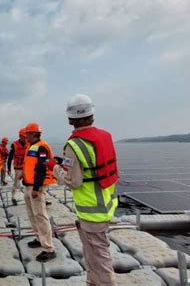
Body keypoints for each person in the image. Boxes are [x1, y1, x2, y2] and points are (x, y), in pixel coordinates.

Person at [56, 94, 119, 285]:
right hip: (107, 204)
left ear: (69, 119)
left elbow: (74, 181)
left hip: (91, 211)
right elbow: (91, 166)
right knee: (96, 254)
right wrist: (65, 164)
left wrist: (55, 169)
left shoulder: (74, 144)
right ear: (92, 115)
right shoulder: (105, 136)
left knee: (99, 259)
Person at [22, 122, 57, 262]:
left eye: (27, 134)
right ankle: (38, 238)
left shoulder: (41, 147)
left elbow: (42, 169)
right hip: (29, 185)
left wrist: (36, 188)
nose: (26, 137)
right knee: (32, 214)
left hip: (36, 187)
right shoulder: (31, 146)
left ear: (33, 134)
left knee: (41, 215)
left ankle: (49, 248)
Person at [7, 128, 27, 206]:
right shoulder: (14, 145)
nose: (25, 138)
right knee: (16, 183)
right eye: (24, 137)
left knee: (29, 182)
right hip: (18, 167)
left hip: (26, 166)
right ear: (20, 136)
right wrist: (8, 168)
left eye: (26, 137)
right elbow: (10, 158)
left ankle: (31, 197)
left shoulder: (28, 144)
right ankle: (13, 197)